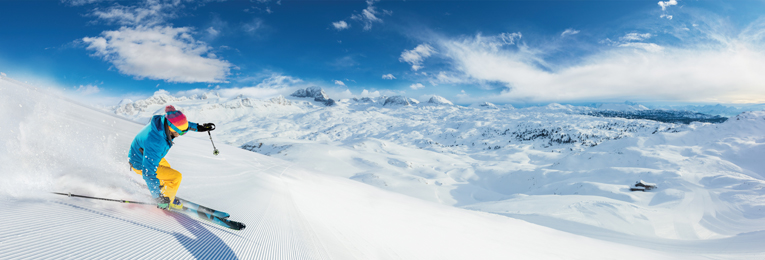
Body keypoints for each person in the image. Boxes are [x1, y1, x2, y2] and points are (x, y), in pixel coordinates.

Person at [128, 105, 215, 210]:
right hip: (140, 163)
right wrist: (158, 198)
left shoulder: (164, 121)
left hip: (145, 154)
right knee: (175, 177)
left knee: (168, 170)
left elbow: (184, 125)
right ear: (171, 128)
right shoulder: (156, 142)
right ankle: (167, 201)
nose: (182, 134)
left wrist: (199, 127)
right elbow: (148, 172)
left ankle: (163, 190)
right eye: (180, 132)